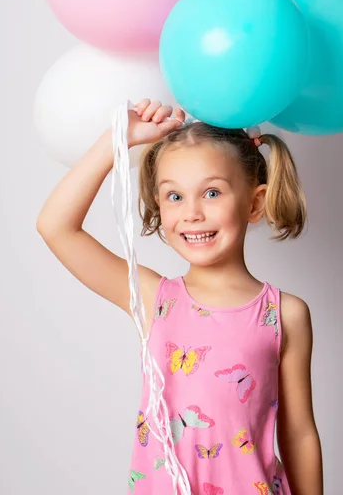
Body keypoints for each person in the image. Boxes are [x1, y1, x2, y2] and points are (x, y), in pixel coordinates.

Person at [36, 98, 323, 495]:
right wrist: (118, 139)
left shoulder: (285, 313)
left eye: (211, 193)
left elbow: (299, 432)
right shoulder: (154, 299)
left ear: (254, 203)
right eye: (174, 196)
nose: (191, 213)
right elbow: (56, 226)